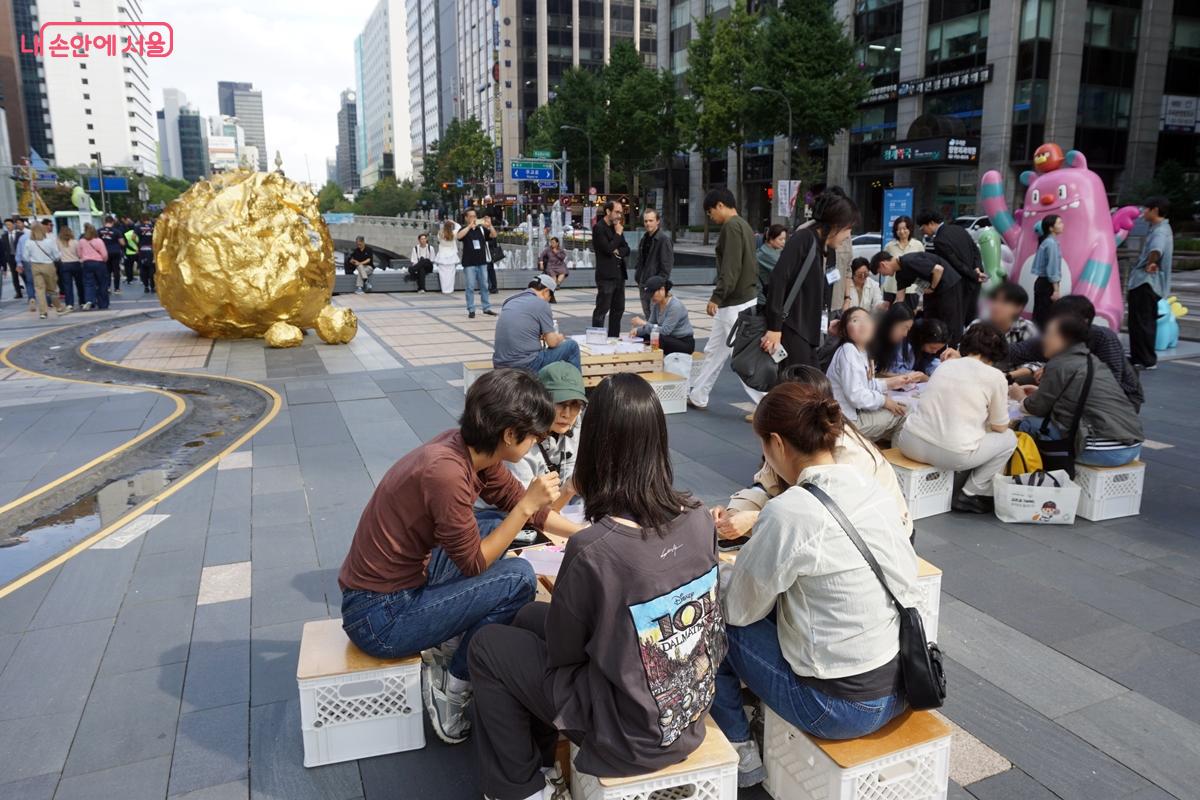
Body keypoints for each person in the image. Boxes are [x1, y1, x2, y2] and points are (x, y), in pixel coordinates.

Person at [468, 373, 725, 800]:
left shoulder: (594, 548)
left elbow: (566, 652)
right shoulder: (699, 517)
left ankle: (522, 789)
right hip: (686, 709)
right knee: (526, 615)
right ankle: (542, 759)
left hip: (626, 733)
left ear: (597, 447)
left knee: (489, 645)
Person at [338, 369, 582, 745]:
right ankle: (454, 686)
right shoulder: (448, 474)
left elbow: (523, 506)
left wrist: (588, 534)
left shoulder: (467, 451)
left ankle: (447, 639)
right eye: (534, 435)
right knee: (518, 576)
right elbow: (475, 562)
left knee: (489, 523)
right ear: (509, 434)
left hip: (390, 592)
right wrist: (524, 508)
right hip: (380, 618)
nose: (536, 442)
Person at [714, 381, 918, 785]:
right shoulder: (867, 485)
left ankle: (741, 754)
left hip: (838, 709)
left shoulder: (791, 511)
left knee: (712, 623)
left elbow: (739, 608)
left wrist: (716, 572)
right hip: (904, 685)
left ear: (775, 443)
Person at [712, 365, 913, 545]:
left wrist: (760, 518)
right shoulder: (791, 438)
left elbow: (834, 521)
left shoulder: (849, 459)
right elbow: (765, 483)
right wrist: (734, 513)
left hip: (880, 542)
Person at [897, 323, 1017, 514]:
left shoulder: (945, 366)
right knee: (1010, 438)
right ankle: (971, 492)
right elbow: (1000, 426)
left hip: (909, 443)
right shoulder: (996, 377)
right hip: (951, 454)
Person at [1014, 314, 1144, 467]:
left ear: (1064, 338)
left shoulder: (1059, 364)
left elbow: (1034, 408)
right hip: (1132, 447)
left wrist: (1019, 397)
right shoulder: (1092, 360)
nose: (1044, 339)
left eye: (1049, 334)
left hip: (1104, 452)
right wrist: (1037, 392)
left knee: (1027, 423)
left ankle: (1043, 477)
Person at [473, 362, 586, 537]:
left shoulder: (575, 424)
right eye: (560, 403)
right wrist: (568, 491)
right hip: (494, 515)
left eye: (576, 405)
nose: (567, 413)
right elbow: (526, 509)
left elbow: (525, 504)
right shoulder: (519, 442)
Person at [761, 188, 859, 371]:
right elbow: (779, 278)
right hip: (793, 330)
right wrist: (774, 328)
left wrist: (826, 323)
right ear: (835, 225)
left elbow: (822, 289)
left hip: (810, 332)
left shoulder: (826, 249)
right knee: (800, 391)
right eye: (848, 229)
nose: (848, 235)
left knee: (806, 389)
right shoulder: (804, 238)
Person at [688, 187, 762, 409]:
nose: (711, 217)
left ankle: (768, 403)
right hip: (738, 300)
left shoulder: (731, 227)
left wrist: (716, 297)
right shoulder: (744, 226)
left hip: (734, 303)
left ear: (720, 205)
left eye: (710, 212)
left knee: (740, 358)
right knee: (714, 351)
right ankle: (698, 395)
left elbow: (730, 268)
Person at [1006, 295, 1143, 409]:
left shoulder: (1104, 338)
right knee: (1027, 381)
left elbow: (1110, 384)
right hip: (1076, 392)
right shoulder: (1056, 337)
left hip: (1120, 400)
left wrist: (1025, 399)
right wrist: (988, 341)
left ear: (1084, 321)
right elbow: (1019, 351)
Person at [825, 307, 915, 442]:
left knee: (898, 412)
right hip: (846, 421)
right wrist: (885, 401)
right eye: (855, 320)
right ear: (845, 329)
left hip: (850, 416)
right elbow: (856, 395)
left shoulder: (860, 351)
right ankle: (895, 460)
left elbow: (865, 384)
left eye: (867, 320)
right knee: (905, 413)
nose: (863, 324)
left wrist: (891, 383)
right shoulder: (849, 351)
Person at [869, 250, 965, 343]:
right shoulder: (900, 274)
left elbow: (938, 269)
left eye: (881, 272)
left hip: (948, 285)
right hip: (932, 290)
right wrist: (892, 316)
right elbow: (900, 299)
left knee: (949, 318)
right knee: (929, 317)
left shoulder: (909, 260)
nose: (884, 275)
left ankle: (952, 346)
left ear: (883, 264)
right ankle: (933, 345)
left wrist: (932, 287)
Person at [493, 274, 581, 372]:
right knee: (572, 346)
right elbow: (552, 343)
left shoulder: (510, 300)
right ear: (546, 291)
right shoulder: (542, 304)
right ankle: (575, 385)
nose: (548, 302)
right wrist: (559, 338)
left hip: (499, 364)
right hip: (526, 364)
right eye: (549, 298)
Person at [1126, 196, 1173, 370]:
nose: (1143, 213)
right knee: (1138, 321)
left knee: (1142, 321)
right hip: (1145, 283)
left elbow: (1156, 250)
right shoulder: (1158, 228)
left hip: (1146, 283)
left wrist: (1151, 263)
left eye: (1146, 209)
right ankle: (1139, 357)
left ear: (1155, 210)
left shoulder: (1160, 231)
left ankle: (1146, 359)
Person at [919, 210, 985, 326]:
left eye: (922, 228)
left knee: (958, 320)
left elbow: (956, 264)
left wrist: (973, 274)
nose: (923, 232)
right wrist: (977, 269)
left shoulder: (939, 240)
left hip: (959, 286)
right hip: (974, 282)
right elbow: (975, 250)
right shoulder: (958, 229)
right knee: (971, 318)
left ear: (930, 223)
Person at [591, 199, 631, 337]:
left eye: (621, 212)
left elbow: (626, 248)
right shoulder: (599, 228)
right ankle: (597, 337)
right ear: (608, 211)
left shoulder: (616, 226)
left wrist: (617, 250)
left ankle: (614, 337)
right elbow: (608, 249)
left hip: (619, 274)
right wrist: (618, 235)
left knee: (618, 309)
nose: (619, 215)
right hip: (606, 276)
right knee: (602, 309)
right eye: (617, 212)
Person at [631, 275, 694, 355]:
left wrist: (644, 323)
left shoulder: (675, 306)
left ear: (662, 290)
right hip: (668, 338)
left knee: (658, 338)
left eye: (653, 294)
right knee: (642, 336)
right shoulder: (656, 304)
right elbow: (651, 325)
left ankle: (655, 360)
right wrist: (637, 331)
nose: (651, 298)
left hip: (683, 342)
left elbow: (665, 331)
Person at [24, 224, 70, 319]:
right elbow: (57, 256)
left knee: (39, 289)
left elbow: (25, 257)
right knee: (52, 289)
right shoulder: (49, 242)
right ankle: (59, 307)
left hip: (35, 265)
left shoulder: (29, 242)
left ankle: (43, 312)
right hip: (48, 265)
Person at [635, 208, 674, 317]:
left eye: (651, 220)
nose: (648, 223)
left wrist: (658, 285)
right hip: (643, 285)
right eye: (646, 221)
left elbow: (666, 267)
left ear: (658, 221)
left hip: (655, 287)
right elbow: (640, 261)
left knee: (656, 318)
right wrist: (638, 277)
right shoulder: (644, 239)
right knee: (648, 316)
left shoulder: (663, 240)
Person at [457, 209, 495, 319]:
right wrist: (469, 226)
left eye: (475, 216)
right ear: (466, 218)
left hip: (482, 262)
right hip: (469, 263)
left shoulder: (482, 229)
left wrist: (490, 225)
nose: (473, 218)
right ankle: (471, 309)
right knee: (470, 286)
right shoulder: (464, 229)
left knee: (484, 285)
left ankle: (486, 307)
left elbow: (493, 235)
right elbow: (459, 237)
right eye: (471, 216)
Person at [1030, 214, 1063, 330]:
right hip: (1047, 285)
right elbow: (1052, 268)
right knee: (1046, 319)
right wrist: (1056, 290)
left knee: (1040, 317)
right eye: (1059, 223)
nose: (1062, 225)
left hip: (1042, 283)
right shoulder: (1051, 243)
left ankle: (1035, 342)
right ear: (1051, 228)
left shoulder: (1047, 242)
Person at [883, 215, 923, 305]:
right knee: (890, 317)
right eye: (899, 229)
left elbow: (922, 269)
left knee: (910, 317)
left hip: (911, 290)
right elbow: (884, 266)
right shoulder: (889, 246)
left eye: (905, 228)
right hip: (892, 289)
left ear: (910, 229)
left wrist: (919, 292)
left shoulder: (918, 245)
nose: (902, 231)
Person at [871, 303, 918, 375]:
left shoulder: (900, 344)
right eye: (903, 328)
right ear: (891, 323)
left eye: (908, 330)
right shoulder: (871, 339)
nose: (905, 334)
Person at [78, 223, 110, 310]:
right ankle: (103, 303)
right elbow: (104, 254)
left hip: (87, 263)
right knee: (102, 283)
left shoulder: (81, 241)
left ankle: (89, 300)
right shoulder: (99, 241)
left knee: (88, 283)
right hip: (99, 263)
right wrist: (104, 260)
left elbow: (79, 254)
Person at [755, 224, 787, 305]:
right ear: (771, 239)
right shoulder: (766, 254)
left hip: (769, 297)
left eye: (784, 239)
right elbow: (786, 270)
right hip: (764, 300)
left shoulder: (774, 250)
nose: (784, 242)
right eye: (780, 239)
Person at [57, 226, 84, 310]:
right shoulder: (75, 242)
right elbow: (79, 254)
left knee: (67, 285)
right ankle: (82, 301)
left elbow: (56, 253)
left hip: (64, 264)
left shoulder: (58, 242)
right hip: (75, 263)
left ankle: (69, 303)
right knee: (79, 284)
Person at [99, 215, 123, 294]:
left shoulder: (99, 231)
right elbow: (122, 243)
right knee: (116, 271)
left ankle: (108, 287)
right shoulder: (116, 231)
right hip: (115, 252)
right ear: (112, 222)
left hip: (104, 253)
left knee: (107, 271)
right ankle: (117, 288)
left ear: (105, 222)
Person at [435, 219, 460, 294]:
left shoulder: (440, 234)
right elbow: (459, 226)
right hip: (451, 255)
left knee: (442, 274)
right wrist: (453, 221)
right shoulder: (454, 233)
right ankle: (450, 289)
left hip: (442, 254)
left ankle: (444, 289)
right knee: (451, 274)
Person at [1, 218, 25, 299]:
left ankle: (30, 290)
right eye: (6, 225)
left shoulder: (20, 234)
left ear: (13, 225)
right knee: (14, 277)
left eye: (9, 225)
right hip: (10, 259)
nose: (8, 227)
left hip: (20, 258)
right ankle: (18, 292)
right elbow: (3, 250)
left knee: (23, 275)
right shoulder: (4, 236)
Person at [134, 215, 156, 293]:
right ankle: (153, 287)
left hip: (142, 250)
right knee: (152, 269)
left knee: (143, 269)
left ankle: (146, 286)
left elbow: (133, 237)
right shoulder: (153, 227)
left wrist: (138, 244)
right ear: (148, 219)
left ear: (142, 220)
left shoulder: (138, 227)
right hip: (151, 250)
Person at [482, 214, 500, 294]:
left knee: (490, 270)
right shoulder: (482, 229)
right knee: (486, 271)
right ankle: (490, 287)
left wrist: (490, 225)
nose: (487, 223)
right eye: (485, 221)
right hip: (484, 253)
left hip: (489, 254)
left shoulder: (491, 229)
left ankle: (493, 287)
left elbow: (494, 238)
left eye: (488, 221)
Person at [122, 220, 139, 285]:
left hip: (129, 252)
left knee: (129, 266)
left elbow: (125, 244)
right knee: (140, 266)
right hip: (137, 252)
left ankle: (129, 279)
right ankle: (143, 279)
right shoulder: (136, 234)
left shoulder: (126, 234)